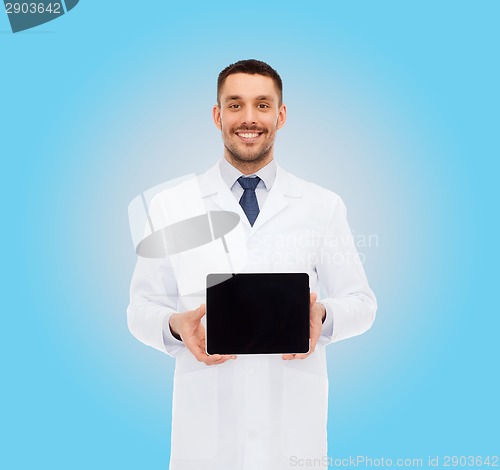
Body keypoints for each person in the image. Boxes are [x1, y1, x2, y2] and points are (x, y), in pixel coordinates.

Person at [127, 59, 377, 470]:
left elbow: (362, 303)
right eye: (235, 104)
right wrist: (177, 325)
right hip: (204, 442)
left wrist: (322, 315)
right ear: (217, 114)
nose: (249, 118)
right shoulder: (173, 206)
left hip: (293, 442)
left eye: (262, 105)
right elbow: (141, 308)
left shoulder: (321, 205)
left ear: (280, 115)